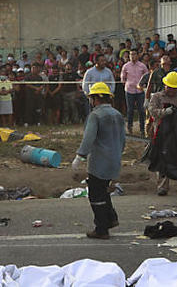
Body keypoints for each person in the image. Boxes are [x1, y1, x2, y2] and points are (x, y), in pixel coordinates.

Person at [70, 82, 126, 240]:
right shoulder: (117, 114)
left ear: (94, 99)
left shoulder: (95, 115)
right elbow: (123, 140)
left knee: (96, 195)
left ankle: (101, 229)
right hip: (114, 160)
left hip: (99, 162)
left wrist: (79, 156)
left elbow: (88, 138)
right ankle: (111, 218)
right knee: (103, 190)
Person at [121, 50, 148, 135]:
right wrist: (126, 83)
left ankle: (142, 128)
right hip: (129, 90)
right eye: (131, 54)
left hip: (140, 91)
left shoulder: (142, 66)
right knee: (130, 110)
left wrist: (144, 84)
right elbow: (123, 77)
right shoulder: (126, 66)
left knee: (141, 110)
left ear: (138, 55)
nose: (133, 56)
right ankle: (129, 126)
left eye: (134, 54)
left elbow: (147, 76)